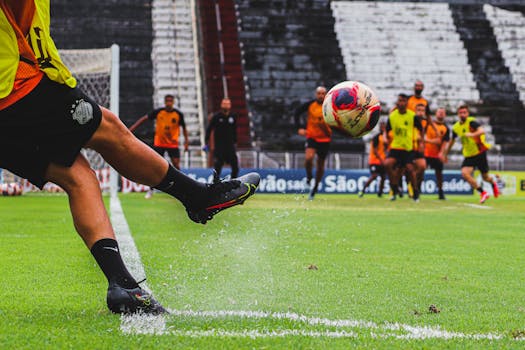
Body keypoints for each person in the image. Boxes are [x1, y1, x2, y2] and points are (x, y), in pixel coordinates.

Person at [0, 0, 259, 315]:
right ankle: (196, 196)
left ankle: (123, 285)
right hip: (15, 88)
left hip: (13, 98)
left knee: (79, 178)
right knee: (107, 128)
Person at [129, 94, 189, 198]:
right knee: (154, 166)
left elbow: (184, 128)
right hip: (159, 144)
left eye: (171, 101)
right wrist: (131, 129)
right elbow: (144, 118)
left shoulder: (178, 114)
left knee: (176, 165)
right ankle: (151, 190)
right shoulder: (159, 112)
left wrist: (186, 142)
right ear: (165, 102)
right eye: (167, 101)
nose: (169, 103)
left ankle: (182, 189)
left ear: (173, 102)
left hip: (172, 144)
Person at [444, 105, 499, 203]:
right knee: (465, 174)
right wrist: (445, 154)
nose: (462, 114)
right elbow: (452, 141)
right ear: (458, 114)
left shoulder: (472, 122)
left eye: (464, 112)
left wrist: (472, 134)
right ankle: (483, 193)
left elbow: (482, 131)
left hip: (479, 152)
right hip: (469, 155)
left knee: (485, 177)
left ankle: (493, 183)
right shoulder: (456, 127)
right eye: (461, 113)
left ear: (468, 113)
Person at [384, 94, 423, 202]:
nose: (401, 103)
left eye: (404, 101)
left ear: (407, 103)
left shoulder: (412, 116)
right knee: (387, 164)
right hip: (396, 147)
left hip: (407, 149)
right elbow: (387, 130)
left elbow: (421, 128)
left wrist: (421, 143)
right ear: (397, 102)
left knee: (410, 170)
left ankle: (415, 192)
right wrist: (386, 140)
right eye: (400, 100)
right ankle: (394, 187)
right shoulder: (392, 116)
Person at [295, 86, 331, 200]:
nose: (321, 95)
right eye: (319, 93)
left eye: (323, 93)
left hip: (325, 139)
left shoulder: (330, 106)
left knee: (320, 165)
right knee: (308, 158)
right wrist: (299, 127)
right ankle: (309, 177)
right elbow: (297, 113)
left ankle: (315, 188)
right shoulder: (310, 105)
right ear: (316, 94)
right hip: (312, 137)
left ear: (326, 95)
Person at [204, 98, 239, 183]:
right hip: (219, 147)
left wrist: (235, 142)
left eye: (227, 103)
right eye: (224, 103)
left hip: (230, 146)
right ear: (221, 105)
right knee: (218, 167)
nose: (226, 105)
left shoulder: (233, 116)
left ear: (230, 105)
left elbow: (235, 130)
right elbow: (209, 129)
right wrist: (206, 142)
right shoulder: (216, 117)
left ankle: (232, 183)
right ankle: (215, 184)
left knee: (235, 167)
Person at [424, 107, 450, 200]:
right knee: (420, 171)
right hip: (426, 153)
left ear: (445, 115)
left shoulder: (446, 128)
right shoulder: (428, 124)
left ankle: (441, 193)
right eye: (439, 112)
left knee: (439, 174)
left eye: (443, 113)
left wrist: (442, 153)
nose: (441, 114)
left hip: (437, 155)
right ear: (436, 113)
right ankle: (416, 191)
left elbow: (444, 142)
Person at [359, 121, 387, 198]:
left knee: (383, 177)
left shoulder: (385, 137)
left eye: (384, 127)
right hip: (374, 160)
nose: (383, 128)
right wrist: (381, 159)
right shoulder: (376, 137)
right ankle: (363, 190)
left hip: (382, 160)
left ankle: (380, 193)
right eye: (382, 126)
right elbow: (375, 150)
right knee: (374, 176)